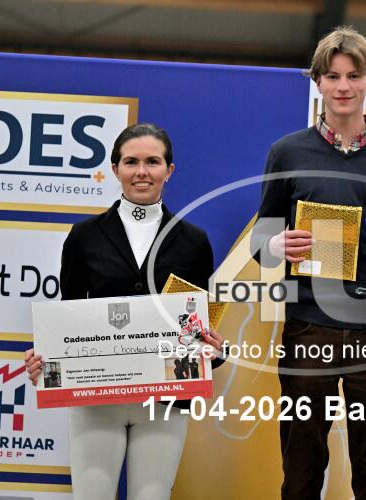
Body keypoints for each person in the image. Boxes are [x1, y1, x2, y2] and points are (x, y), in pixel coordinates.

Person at [251, 26, 366, 500]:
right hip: (309, 329)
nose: (343, 86)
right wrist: (276, 245)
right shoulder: (287, 152)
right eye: (332, 76)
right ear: (318, 82)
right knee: (301, 472)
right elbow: (260, 239)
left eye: (353, 75)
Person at [25, 123, 224, 500]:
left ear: (169, 170)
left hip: (165, 400)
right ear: (115, 169)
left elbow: (198, 325)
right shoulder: (84, 236)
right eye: (131, 162)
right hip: (96, 399)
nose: (141, 171)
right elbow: (68, 318)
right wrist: (47, 361)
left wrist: (214, 351)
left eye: (153, 162)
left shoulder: (194, 242)